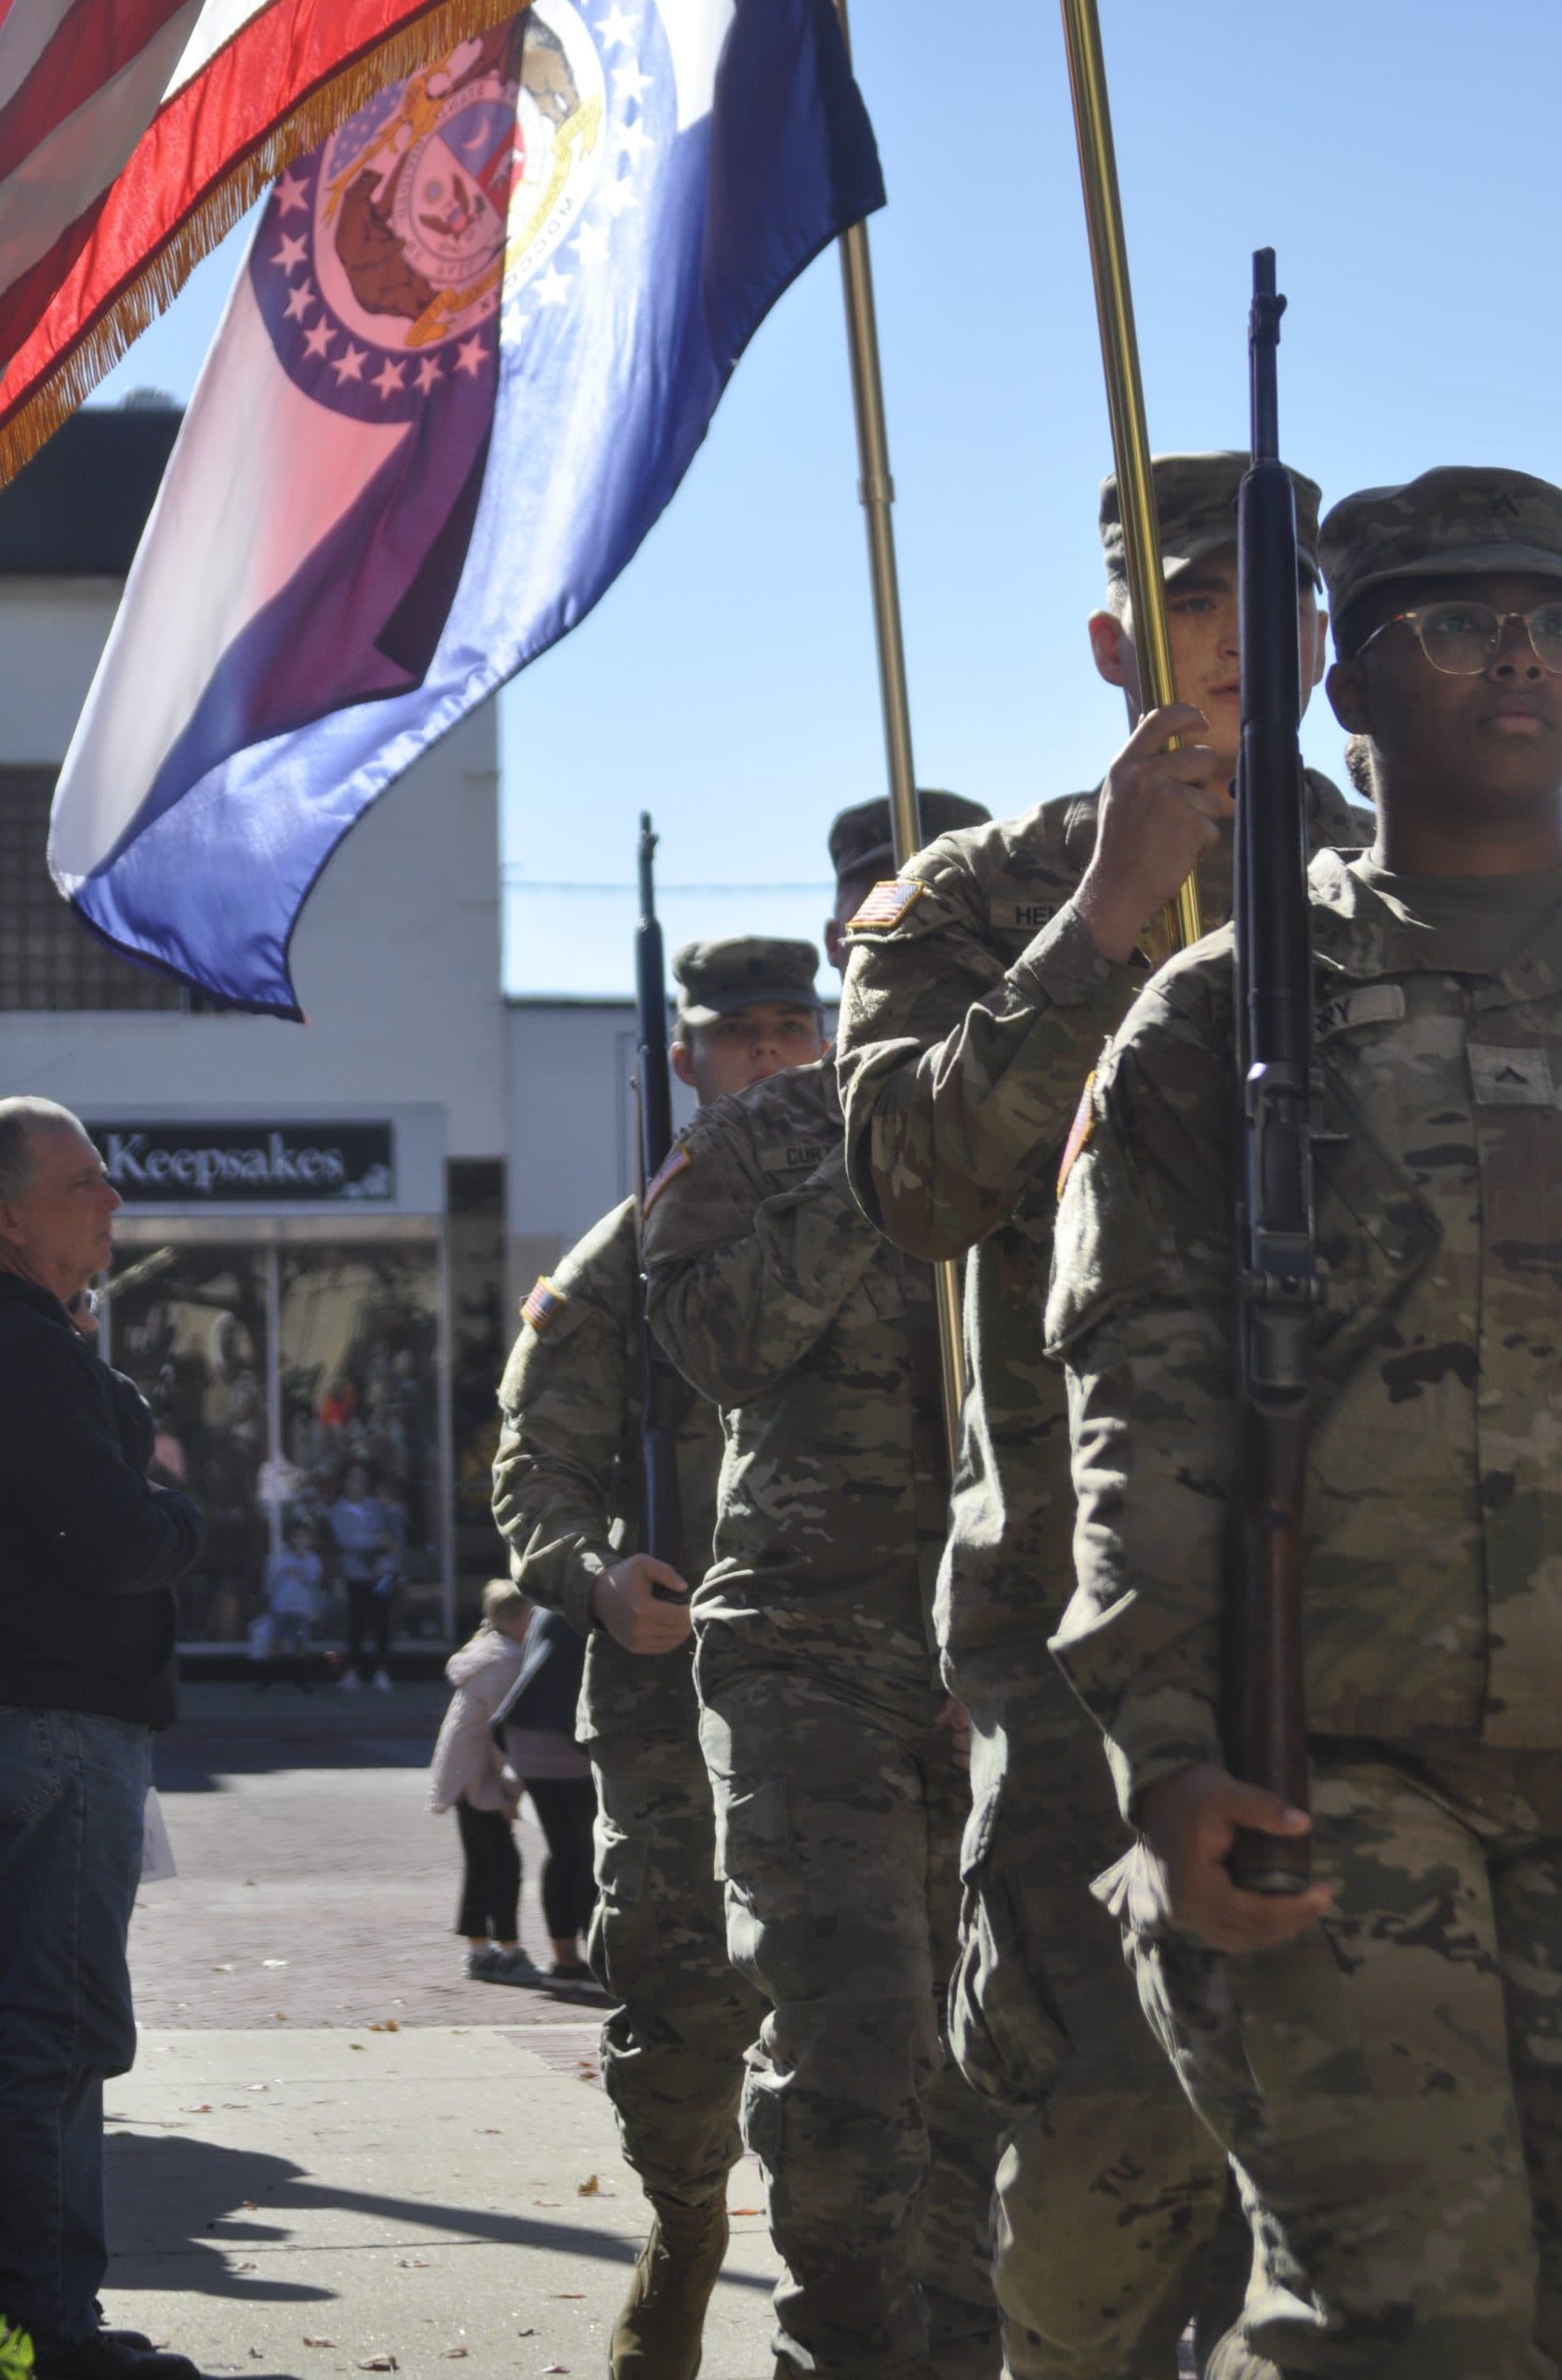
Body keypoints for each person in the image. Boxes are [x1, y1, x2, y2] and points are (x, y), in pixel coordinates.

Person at [838, 455, 1370, 2378]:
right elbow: (913, 1185)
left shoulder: (1407, 879)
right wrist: (1109, 912)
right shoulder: (974, 896)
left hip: (1389, 1624)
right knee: (1099, 2199)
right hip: (1087, 1633)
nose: (1237, 634)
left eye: (1273, 595)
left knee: (1387, 2213)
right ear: (1110, 638)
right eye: (1191, 596)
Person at [1048, 464, 1562, 2380]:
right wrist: (1165, 1754)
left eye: (1557, 622)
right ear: (1345, 686)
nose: (1518, 658)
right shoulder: (1227, 1018)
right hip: (1331, 1777)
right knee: (1414, 2330)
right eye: (1457, 622)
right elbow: (1141, 1410)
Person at [642, 792, 1003, 2380]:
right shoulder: (759, 1139)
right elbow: (716, 1345)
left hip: (1013, 1656)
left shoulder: (1081, 1108)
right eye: (884, 916)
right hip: (813, 1651)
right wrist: (886, 1152)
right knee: (854, 2058)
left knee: (1005, 2070)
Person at [493, 935, 825, 2380]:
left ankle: (848, 2292)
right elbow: (533, 1469)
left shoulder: (905, 1211)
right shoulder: (627, 1256)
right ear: (683, 1060)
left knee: (874, 2012)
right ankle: (688, 2229)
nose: (771, 1052)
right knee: (682, 2008)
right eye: (738, 1034)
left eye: (791, 1025)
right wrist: (593, 1577)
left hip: (862, 1686)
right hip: (671, 1699)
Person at [0, 1097, 207, 2380]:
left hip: (45, 1721)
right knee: (58, 2036)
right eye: (83, 1181)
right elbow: (112, 1537)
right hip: (59, 1731)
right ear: (10, 1219)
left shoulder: (43, 1344)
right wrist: (178, 1513)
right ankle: (44, 2332)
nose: (113, 1200)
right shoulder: (27, 1354)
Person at [427, 1580, 540, 1986]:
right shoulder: (505, 1663)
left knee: (480, 1863)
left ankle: (479, 1950)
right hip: (480, 1779)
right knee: (505, 1865)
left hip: (461, 1774)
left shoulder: (484, 1653)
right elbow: (502, 1733)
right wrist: (511, 1789)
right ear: (519, 1618)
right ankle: (509, 1951)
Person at [496, 1601, 600, 1984]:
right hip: (569, 1744)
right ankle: (597, 1959)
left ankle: (565, 1958)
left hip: (525, 1741)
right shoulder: (589, 1604)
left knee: (563, 1852)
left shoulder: (546, 1607)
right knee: (588, 1854)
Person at [327, 1459, 396, 1690]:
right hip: (355, 1574)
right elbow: (346, 1541)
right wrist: (375, 1540)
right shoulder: (338, 1510)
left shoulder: (376, 1506)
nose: (358, 1483)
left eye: (362, 1478)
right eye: (353, 1478)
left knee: (381, 1622)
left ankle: (382, 1671)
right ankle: (352, 1671)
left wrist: (377, 1544)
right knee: (356, 1623)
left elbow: (390, 1535)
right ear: (345, 1482)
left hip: (380, 1573)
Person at [255, 1516, 323, 1691]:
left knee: (300, 1642)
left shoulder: (313, 1559)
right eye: (297, 1537)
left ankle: (301, 1678)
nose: (300, 1541)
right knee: (276, 1641)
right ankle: (270, 1677)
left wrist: (300, 1564)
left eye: (304, 1537)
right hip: (281, 1606)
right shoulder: (281, 1558)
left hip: (301, 1608)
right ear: (291, 1539)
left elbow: (312, 1578)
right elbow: (271, 1581)